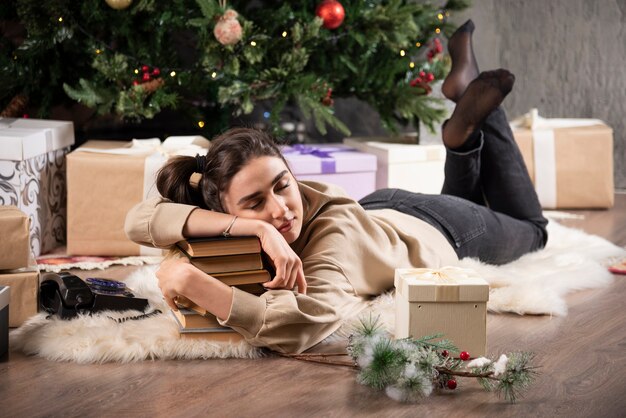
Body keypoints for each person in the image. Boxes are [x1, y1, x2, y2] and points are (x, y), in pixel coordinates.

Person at [124, 20, 548, 353]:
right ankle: (461, 138)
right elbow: (139, 219)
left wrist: (196, 283)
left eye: (282, 185)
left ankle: (481, 115)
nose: (281, 209)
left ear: (290, 171)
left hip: (441, 229)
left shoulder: (334, 246)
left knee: (532, 229)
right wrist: (255, 230)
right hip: (381, 211)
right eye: (255, 203)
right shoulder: (248, 218)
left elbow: (301, 327)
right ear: (224, 211)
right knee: (467, 198)